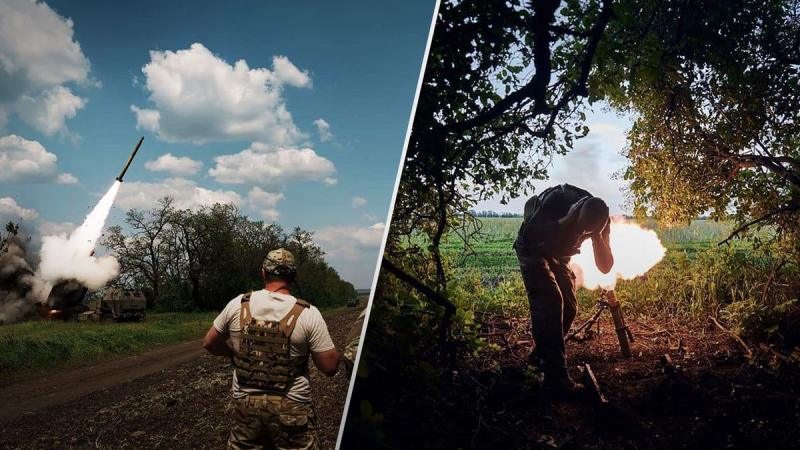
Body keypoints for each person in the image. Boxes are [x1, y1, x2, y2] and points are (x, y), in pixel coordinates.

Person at [203, 248, 339, 450]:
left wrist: (233, 354)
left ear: (264, 273)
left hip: (246, 408)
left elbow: (210, 342)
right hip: (293, 409)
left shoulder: (237, 304)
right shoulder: (309, 313)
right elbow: (329, 367)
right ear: (294, 276)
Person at [513, 184, 613, 395]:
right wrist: (566, 221)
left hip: (558, 255)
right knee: (550, 301)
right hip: (532, 249)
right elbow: (529, 234)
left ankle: (538, 360)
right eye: (581, 228)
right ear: (576, 210)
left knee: (569, 307)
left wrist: (597, 238)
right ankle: (557, 378)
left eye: (587, 232)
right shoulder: (558, 199)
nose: (581, 234)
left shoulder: (602, 221)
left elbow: (605, 267)